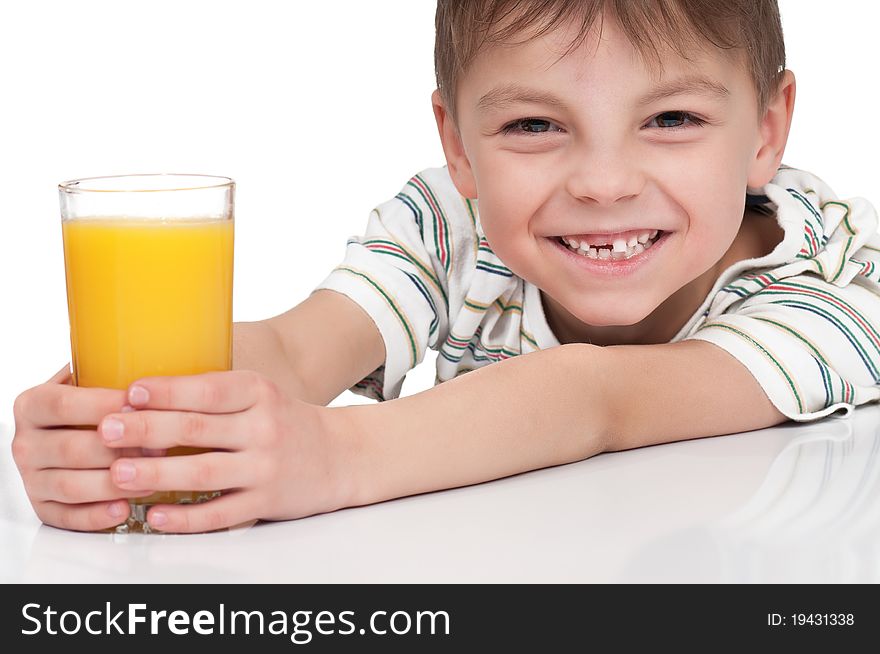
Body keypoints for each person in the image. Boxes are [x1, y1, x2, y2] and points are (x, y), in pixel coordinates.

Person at [12, 0, 880, 533]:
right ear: (458, 146)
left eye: (674, 119)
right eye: (534, 127)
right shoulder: (450, 224)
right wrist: (131, 423)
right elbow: (295, 351)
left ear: (767, 131)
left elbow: (599, 398)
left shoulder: (841, 288)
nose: (605, 184)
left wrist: (335, 458)